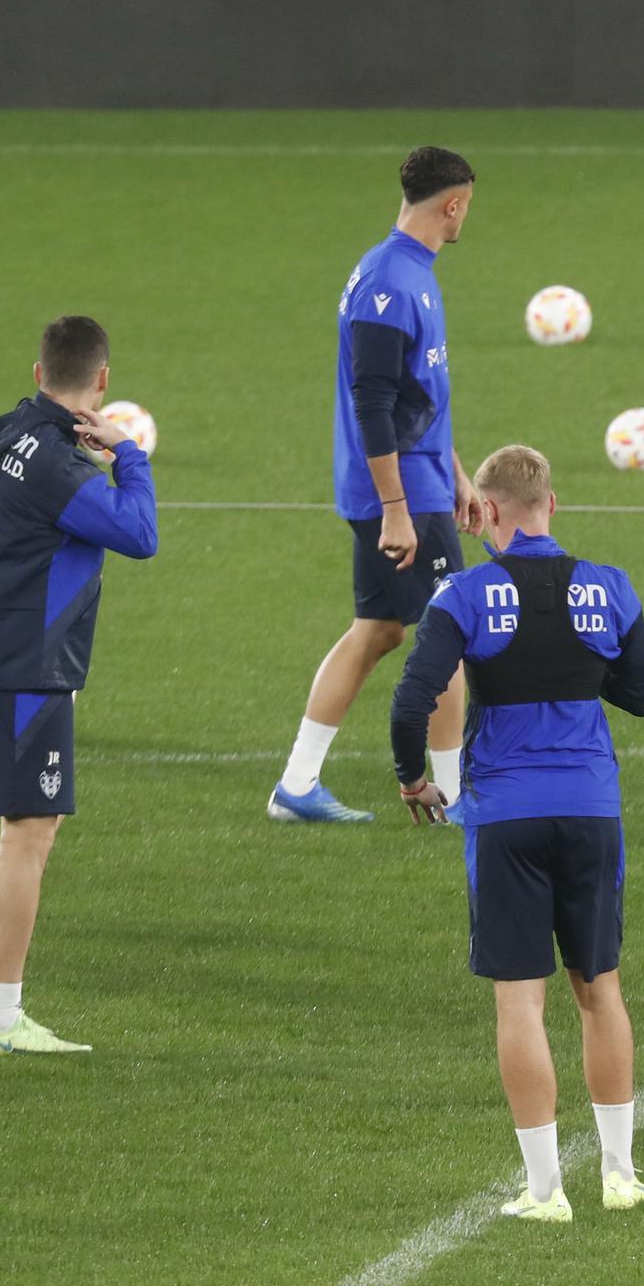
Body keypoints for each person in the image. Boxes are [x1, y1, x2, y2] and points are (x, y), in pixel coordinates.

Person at [389, 445, 644, 1223]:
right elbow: (639, 693)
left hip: (506, 817)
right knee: (599, 988)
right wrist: (573, 667)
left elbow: (413, 701)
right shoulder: (611, 587)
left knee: (521, 1002)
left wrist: (415, 777)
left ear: (490, 511)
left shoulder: (465, 594)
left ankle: (544, 1190)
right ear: (554, 504)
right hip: (590, 810)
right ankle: (620, 1173)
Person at [0, 316, 158, 1054]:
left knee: (29, 828)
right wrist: (128, 454)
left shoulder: (6, 434)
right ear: (100, 381)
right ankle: (2, 1018)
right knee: (29, 833)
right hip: (25, 663)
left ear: (38, 372)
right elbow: (139, 534)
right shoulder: (60, 469)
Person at [269, 146, 482, 824]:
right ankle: (454, 795)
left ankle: (297, 783)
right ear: (452, 204)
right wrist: (396, 506)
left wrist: (457, 471)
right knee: (455, 628)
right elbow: (373, 402)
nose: (465, 218)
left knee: (381, 629)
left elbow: (422, 393)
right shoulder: (389, 282)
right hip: (397, 492)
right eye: (466, 207)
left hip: (419, 478)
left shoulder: (406, 268)